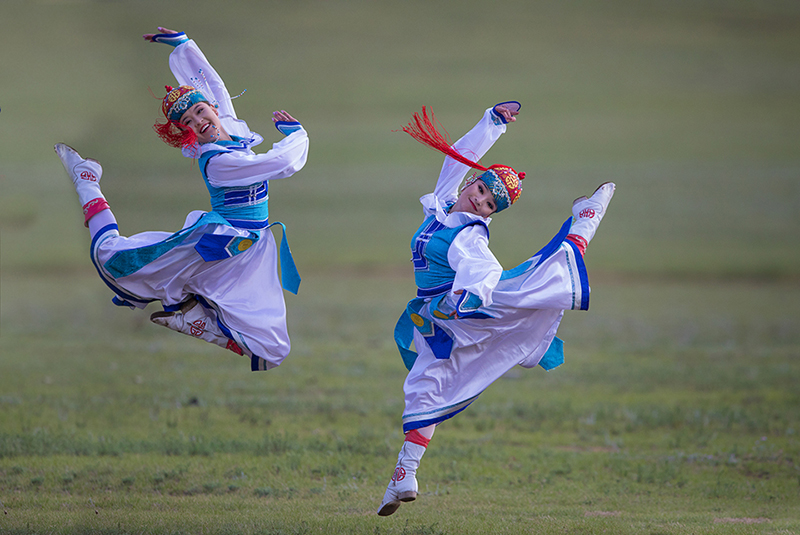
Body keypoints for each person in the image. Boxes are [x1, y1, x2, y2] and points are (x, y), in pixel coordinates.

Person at [377, 102, 615, 516]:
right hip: (437, 316)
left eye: (488, 204)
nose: (479, 200)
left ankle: (586, 219)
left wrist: (466, 299)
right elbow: (457, 155)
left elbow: (482, 271)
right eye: (481, 189)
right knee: (424, 387)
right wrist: (493, 122)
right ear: (474, 181)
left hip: (465, 312)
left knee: (547, 280)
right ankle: (404, 476)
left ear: (492, 215)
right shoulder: (443, 203)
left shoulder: (470, 235)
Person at [54, 27, 309, 372]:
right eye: (188, 122)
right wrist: (298, 135)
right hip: (218, 241)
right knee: (112, 257)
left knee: (273, 349)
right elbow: (280, 163)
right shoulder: (218, 161)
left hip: (252, 249)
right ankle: (87, 179)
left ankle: (194, 319)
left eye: (201, 112)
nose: (199, 122)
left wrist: (184, 46)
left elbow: (214, 88)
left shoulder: (232, 129)